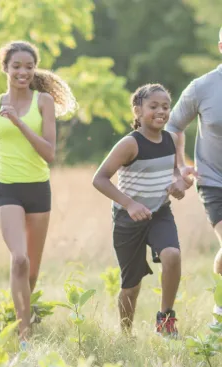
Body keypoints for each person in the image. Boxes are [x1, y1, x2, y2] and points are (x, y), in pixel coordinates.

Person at [0, 41, 77, 344]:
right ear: (4, 68)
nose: (23, 71)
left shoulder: (43, 102)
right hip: (8, 190)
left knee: (30, 271)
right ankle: (24, 338)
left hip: (38, 191)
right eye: (16, 66)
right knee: (19, 260)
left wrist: (18, 122)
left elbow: (49, 153)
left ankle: (22, 315)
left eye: (29, 66)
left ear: (34, 69)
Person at [92, 84, 193, 338]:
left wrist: (180, 183)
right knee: (131, 285)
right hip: (129, 219)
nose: (161, 111)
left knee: (172, 256)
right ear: (137, 111)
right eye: (154, 106)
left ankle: (165, 321)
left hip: (159, 213)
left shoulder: (171, 138)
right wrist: (130, 204)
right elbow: (100, 178)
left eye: (166, 107)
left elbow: (174, 171)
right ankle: (126, 335)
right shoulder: (130, 144)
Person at [166, 27, 222, 319]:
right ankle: (220, 310)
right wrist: (179, 166)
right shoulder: (202, 87)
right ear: (221, 46)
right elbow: (173, 125)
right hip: (214, 181)